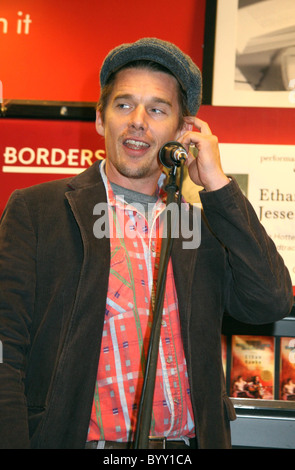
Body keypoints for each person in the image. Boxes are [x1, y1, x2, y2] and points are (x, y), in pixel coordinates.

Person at [0, 38, 293, 450]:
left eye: (157, 109)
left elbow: (271, 300)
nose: (138, 120)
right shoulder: (37, 211)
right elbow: (5, 349)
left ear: (182, 131)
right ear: (101, 119)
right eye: (124, 105)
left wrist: (217, 184)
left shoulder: (202, 221)